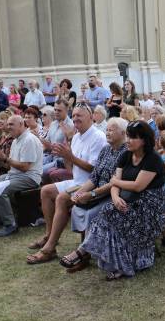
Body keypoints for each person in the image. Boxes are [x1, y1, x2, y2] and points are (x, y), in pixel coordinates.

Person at [68, 121, 165, 280]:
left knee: (112, 215)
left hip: (148, 207)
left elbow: (138, 186)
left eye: (133, 137)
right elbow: (116, 185)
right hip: (127, 200)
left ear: (144, 140)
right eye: (128, 136)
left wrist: (115, 182)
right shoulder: (126, 155)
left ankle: (83, 251)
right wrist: (114, 198)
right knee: (108, 211)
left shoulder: (152, 159)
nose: (128, 140)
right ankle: (115, 263)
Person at [25, 105, 107, 264]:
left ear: (91, 117)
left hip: (92, 184)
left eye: (80, 116)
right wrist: (66, 157)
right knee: (46, 191)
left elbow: (94, 170)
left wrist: (70, 156)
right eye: (74, 115)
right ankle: (49, 235)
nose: (75, 118)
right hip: (78, 181)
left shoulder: (98, 137)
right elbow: (72, 169)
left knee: (62, 198)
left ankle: (49, 248)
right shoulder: (76, 137)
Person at [58, 118, 129, 272]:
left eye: (112, 129)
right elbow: (94, 176)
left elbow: (115, 182)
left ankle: (84, 253)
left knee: (92, 213)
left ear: (123, 133)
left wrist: (90, 194)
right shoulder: (106, 150)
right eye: (107, 129)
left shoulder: (126, 152)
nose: (107, 132)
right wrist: (80, 192)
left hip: (115, 193)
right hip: (98, 191)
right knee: (78, 207)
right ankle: (84, 254)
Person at [0, 115, 43, 236]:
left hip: (30, 177)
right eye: (8, 124)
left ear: (21, 124)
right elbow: (11, 166)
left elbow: (25, 167)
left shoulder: (29, 140)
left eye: (11, 124)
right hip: (16, 175)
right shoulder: (16, 140)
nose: (8, 127)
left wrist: (5, 158)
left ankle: (10, 225)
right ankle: (0, 216)